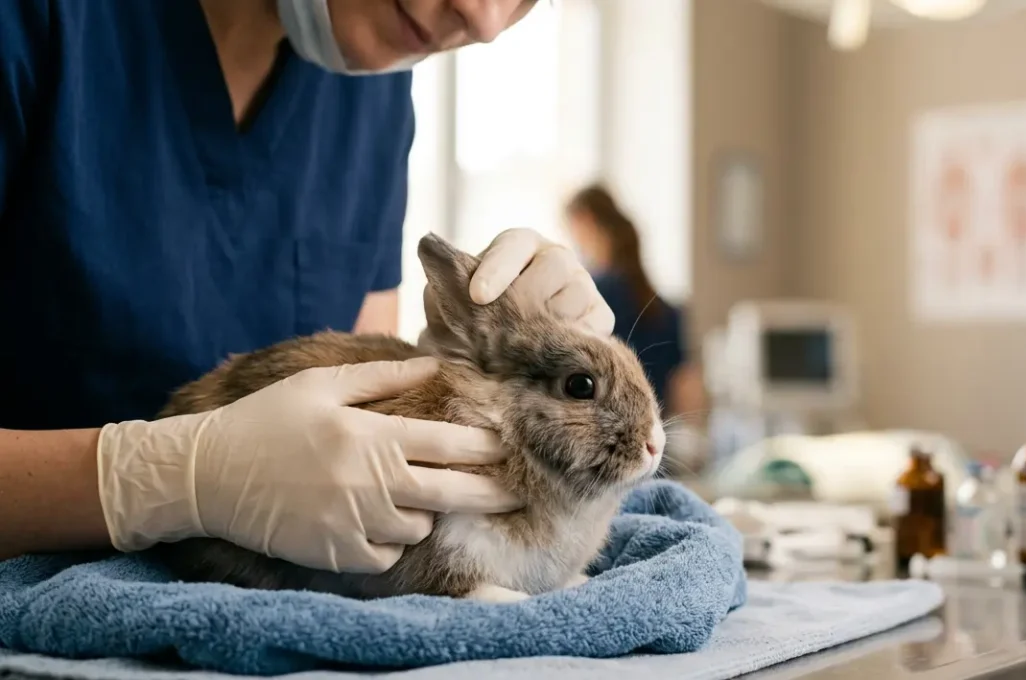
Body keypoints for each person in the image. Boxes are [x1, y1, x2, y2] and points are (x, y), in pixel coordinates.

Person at [0, 0, 615, 575]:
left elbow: (353, 393)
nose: (482, 19)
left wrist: (465, 360)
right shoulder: (41, 24)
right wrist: (161, 481)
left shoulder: (371, 87)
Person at [564, 183, 704, 420]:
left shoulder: (592, 295)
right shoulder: (667, 310)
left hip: (605, 437)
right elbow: (685, 392)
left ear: (584, 220)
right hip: (654, 439)